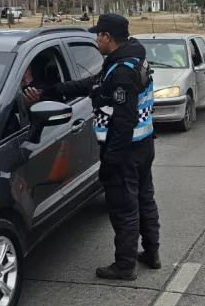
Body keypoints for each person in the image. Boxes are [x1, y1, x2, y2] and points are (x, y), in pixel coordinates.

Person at [39, 14, 160, 280]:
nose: (95, 40)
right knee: (144, 200)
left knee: (124, 208)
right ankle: (151, 253)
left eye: (98, 35)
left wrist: (111, 160)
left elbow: (124, 122)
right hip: (143, 144)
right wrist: (51, 90)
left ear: (107, 37)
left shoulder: (122, 72)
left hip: (125, 150)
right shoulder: (131, 58)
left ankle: (125, 265)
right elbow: (91, 85)